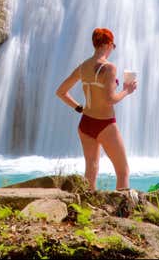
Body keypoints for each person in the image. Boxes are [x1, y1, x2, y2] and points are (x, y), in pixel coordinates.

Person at [55, 28, 138, 191]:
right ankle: (121, 206)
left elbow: (61, 92)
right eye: (113, 46)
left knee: (91, 170)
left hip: (86, 123)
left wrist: (79, 107)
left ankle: (87, 204)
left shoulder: (83, 67)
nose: (113, 49)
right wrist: (126, 91)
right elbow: (109, 99)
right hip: (105, 125)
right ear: (108, 44)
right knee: (123, 171)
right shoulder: (109, 68)